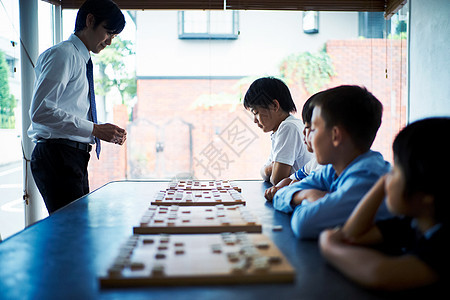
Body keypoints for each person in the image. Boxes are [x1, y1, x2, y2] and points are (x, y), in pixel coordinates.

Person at [319, 118, 450, 291]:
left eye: (395, 170)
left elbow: (379, 273)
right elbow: (351, 235)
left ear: (427, 193)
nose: (387, 176)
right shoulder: (411, 224)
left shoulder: (444, 242)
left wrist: (329, 246)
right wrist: (381, 184)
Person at [28, 0, 127, 214]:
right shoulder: (64, 55)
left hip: (72, 156)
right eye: (108, 32)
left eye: (114, 37)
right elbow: (41, 111)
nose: (109, 42)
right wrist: (95, 129)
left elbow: (66, 109)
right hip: (58, 155)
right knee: (73, 232)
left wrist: (98, 130)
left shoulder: (80, 59)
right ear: (90, 21)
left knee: (76, 230)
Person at [272, 85, 392, 239]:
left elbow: (304, 224)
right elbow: (279, 196)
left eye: (313, 129)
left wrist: (310, 198)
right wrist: (307, 194)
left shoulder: (367, 178)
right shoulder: (332, 170)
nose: (308, 137)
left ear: (336, 135)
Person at [243, 77, 313, 186]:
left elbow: (277, 179)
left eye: (255, 112)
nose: (254, 120)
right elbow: (264, 173)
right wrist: (270, 168)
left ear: (274, 105)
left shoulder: (288, 128)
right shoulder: (281, 129)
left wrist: (272, 168)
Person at [264, 92, 323, 201]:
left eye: (312, 128)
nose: (304, 133)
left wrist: (292, 195)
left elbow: (306, 214)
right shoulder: (315, 163)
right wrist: (278, 188)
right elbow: (291, 179)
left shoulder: (333, 173)